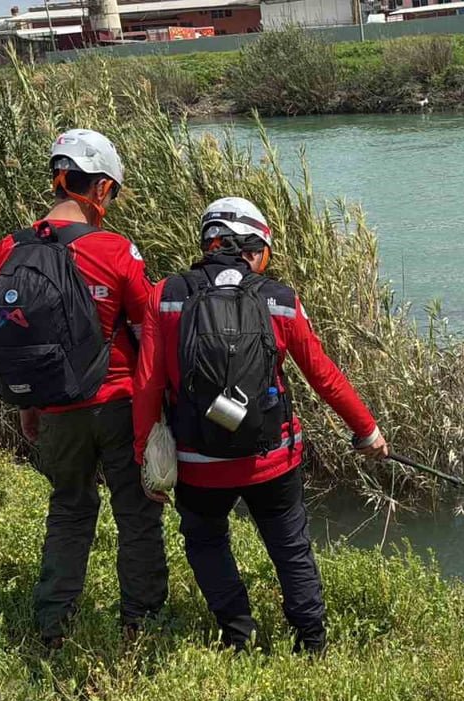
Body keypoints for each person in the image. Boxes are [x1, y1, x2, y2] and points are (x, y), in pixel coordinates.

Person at [132, 196, 388, 654]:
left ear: (209, 243)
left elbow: (148, 385)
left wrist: (144, 459)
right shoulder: (280, 301)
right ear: (254, 248)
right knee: (290, 545)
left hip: (198, 460)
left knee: (207, 541)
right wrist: (366, 430)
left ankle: (237, 633)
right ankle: (312, 642)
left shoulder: (165, 296)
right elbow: (324, 376)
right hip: (271, 458)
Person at [0, 129, 167, 649]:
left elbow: (2, 328)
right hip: (119, 405)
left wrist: (28, 402)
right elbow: (148, 329)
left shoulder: (8, 249)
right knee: (136, 513)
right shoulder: (116, 250)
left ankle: (53, 624)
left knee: (68, 508)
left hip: (55, 406)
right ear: (102, 189)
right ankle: (140, 623)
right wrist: (159, 412)